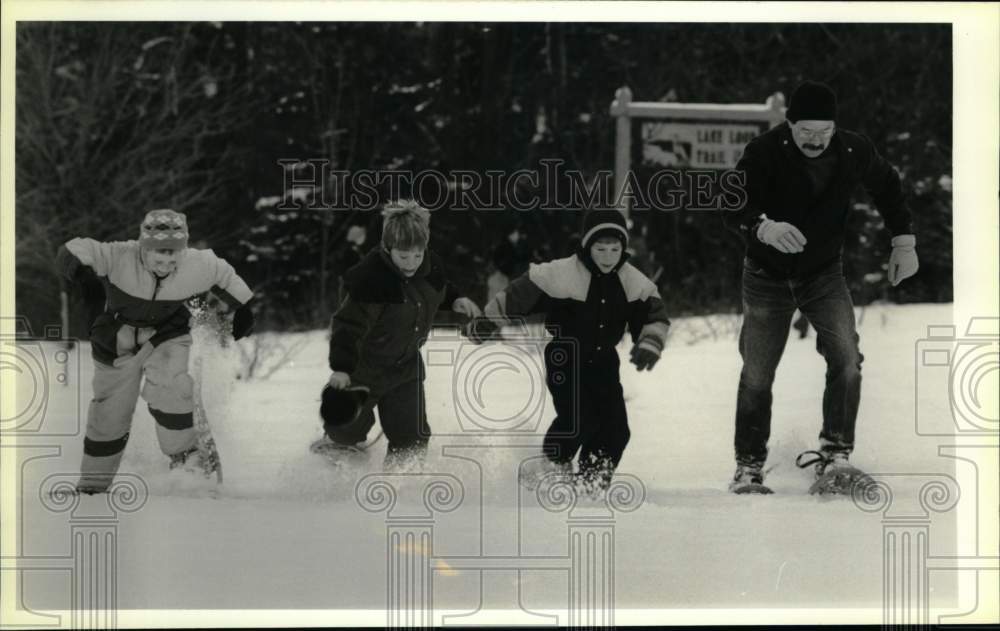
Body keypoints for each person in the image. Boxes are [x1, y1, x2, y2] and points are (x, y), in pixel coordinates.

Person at [723, 80, 919, 493]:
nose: (815, 141)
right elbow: (731, 201)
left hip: (823, 273)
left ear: (835, 127)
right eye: (805, 132)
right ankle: (749, 465)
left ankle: (836, 453)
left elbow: (887, 184)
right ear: (789, 125)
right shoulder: (764, 151)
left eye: (823, 132)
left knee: (846, 357)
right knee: (757, 372)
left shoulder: (853, 150)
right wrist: (762, 227)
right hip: (766, 276)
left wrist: (903, 239)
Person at [469, 209, 671, 494]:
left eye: (615, 249)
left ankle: (592, 479)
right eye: (600, 248)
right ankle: (551, 464)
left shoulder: (632, 282)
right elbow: (518, 295)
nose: (608, 255)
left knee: (615, 428)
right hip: (565, 355)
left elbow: (655, 315)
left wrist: (650, 342)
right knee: (578, 419)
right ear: (587, 245)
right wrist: (488, 321)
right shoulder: (560, 274)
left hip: (603, 361)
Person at [56, 209, 255, 494]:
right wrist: (81, 271)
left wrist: (244, 308)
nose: (166, 264)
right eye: (159, 257)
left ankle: (190, 461)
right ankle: (94, 482)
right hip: (116, 340)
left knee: (172, 388)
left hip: (167, 336)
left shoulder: (196, 264)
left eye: (173, 256)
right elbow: (73, 249)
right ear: (143, 247)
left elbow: (226, 275)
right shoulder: (119, 256)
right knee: (110, 410)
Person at [313, 200, 482, 469]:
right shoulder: (371, 281)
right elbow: (347, 325)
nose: (412, 262)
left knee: (411, 437)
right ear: (387, 248)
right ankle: (333, 474)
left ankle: (401, 488)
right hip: (364, 369)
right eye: (403, 256)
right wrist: (342, 368)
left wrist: (456, 299)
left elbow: (438, 288)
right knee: (345, 429)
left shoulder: (430, 265)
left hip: (406, 370)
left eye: (418, 254)